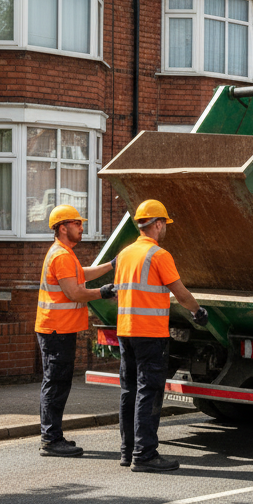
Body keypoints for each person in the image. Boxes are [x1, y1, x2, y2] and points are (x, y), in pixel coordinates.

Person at [100, 199, 207, 472]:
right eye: (165, 224)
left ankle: (127, 451)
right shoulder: (159, 255)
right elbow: (180, 293)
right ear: (157, 224)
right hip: (150, 334)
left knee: (129, 390)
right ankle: (145, 454)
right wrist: (198, 312)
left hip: (125, 331)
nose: (165, 229)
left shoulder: (124, 255)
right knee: (148, 391)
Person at [36, 204, 113, 458]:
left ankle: (53, 436)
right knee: (56, 384)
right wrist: (102, 293)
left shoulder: (65, 254)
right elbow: (75, 292)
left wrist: (111, 265)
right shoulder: (60, 255)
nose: (82, 228)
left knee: (57, 382)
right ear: (62, 227)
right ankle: (50, 439)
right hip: (56, 331)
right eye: (77, 224)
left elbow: (82, 275)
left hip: (59, 330)